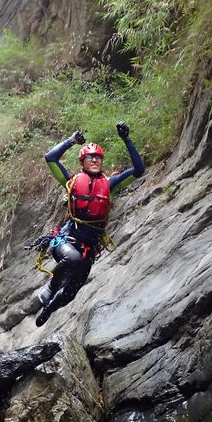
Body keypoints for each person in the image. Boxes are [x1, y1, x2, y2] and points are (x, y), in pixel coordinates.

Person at [34, 121, 145, 326]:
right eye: (89, 157)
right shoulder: (73, 181)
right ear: (82, 162)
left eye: (98, 157)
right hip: (65, 241)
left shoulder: (109, 185)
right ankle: (50, 288)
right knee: (73, 259)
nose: (94, 160)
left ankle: (49, 308)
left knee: (70, 293)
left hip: (89, 249)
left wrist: (126, 139)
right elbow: (50, 158)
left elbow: (139, 170)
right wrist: (71, 141)